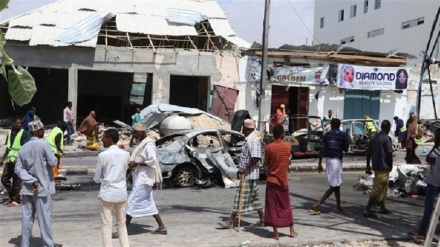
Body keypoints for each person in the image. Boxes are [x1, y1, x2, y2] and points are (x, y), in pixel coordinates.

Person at [14, 120, 62, 247]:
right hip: (42, 189)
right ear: (37, 131)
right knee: (44, 219)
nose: (44, 132)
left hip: (27, 188)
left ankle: (24, 244)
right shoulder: (44, 145)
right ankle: (48, 244)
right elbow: (52, 162)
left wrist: (31, 180)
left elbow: (18, 169)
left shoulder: (23, 148)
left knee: (27, 219)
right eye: (42, 130)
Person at [120, 124, 166, 237]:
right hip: (141, 178)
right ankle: (162, 227)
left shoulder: (148, 144)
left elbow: (152, 161)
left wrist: (136, 163)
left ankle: (123, 231)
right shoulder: (142, 143)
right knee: (150, 204)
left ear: (142, 132)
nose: (134, 135)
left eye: (135, 133)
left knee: (130, 204)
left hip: (144, 179)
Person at [219, 119, 264, 228]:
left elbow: (257, 158)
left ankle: (230, 221)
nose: (242, 130)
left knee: (240, 197)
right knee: (255, 197)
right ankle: (262, 219)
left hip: (249, 174)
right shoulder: (248, 139)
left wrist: (245, 168)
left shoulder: (253, 139)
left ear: (247, 128)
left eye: (243, 128)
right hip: (248, 174)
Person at [94, 129, 130, 247]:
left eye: (103, 138)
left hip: (107, 193)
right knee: (122, 224)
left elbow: (96, 178)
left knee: (106, 225)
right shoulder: (126, 154)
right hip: (121, 192)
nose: (102, 140)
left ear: (109, 139)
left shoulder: (103, 155)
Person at [311, 118, 349, 215]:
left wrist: (319, 163)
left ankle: (338, 206)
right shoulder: (343, 135)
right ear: (339, 125)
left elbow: (322, 150)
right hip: (337, 161)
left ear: (331, 125)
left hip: (329, 160)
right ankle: (319, 203)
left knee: (337, 184)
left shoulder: (327, 135)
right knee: (334, 185)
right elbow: (346, 149)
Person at [264, 125, 296, 240]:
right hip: (283, 181)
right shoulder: (288, 147)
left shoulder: (269, 147)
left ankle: (276, 233)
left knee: (272, 206)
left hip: (272, 180)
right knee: (286, 205)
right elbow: (288, 162)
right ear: (282, 134)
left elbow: (266, 163)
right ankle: (291, 230)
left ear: (273, 135)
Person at [408, 129, 440, 237]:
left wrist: (436, 145)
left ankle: (422, 230)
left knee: (429, 206)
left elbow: (428, 158)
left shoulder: (438, 147)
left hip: (434, 180)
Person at [364, 120, 393, 218]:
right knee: (377, 188)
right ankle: (367, 209)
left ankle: (382, 207)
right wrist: (391, 165)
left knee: (384, 187)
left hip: (376, 166)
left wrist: (368, 165)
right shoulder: (387, 139)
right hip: (383, 167)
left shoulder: (374, 138)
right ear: (388, 127)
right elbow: (389, 154)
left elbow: (368, 153)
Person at [1, 117, 30, 207]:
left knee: (16, 181)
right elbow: (8, 147)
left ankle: (16, 200)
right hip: (10, 160)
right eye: (17, 123)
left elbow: (25, 148)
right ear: (13, 123)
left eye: (20, 123)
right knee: (4, 179)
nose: (19, 125)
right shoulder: (10, 133)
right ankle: (12, 196)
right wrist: (2, 158)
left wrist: (19, 157)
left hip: (18, 161)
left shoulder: (23, 133)